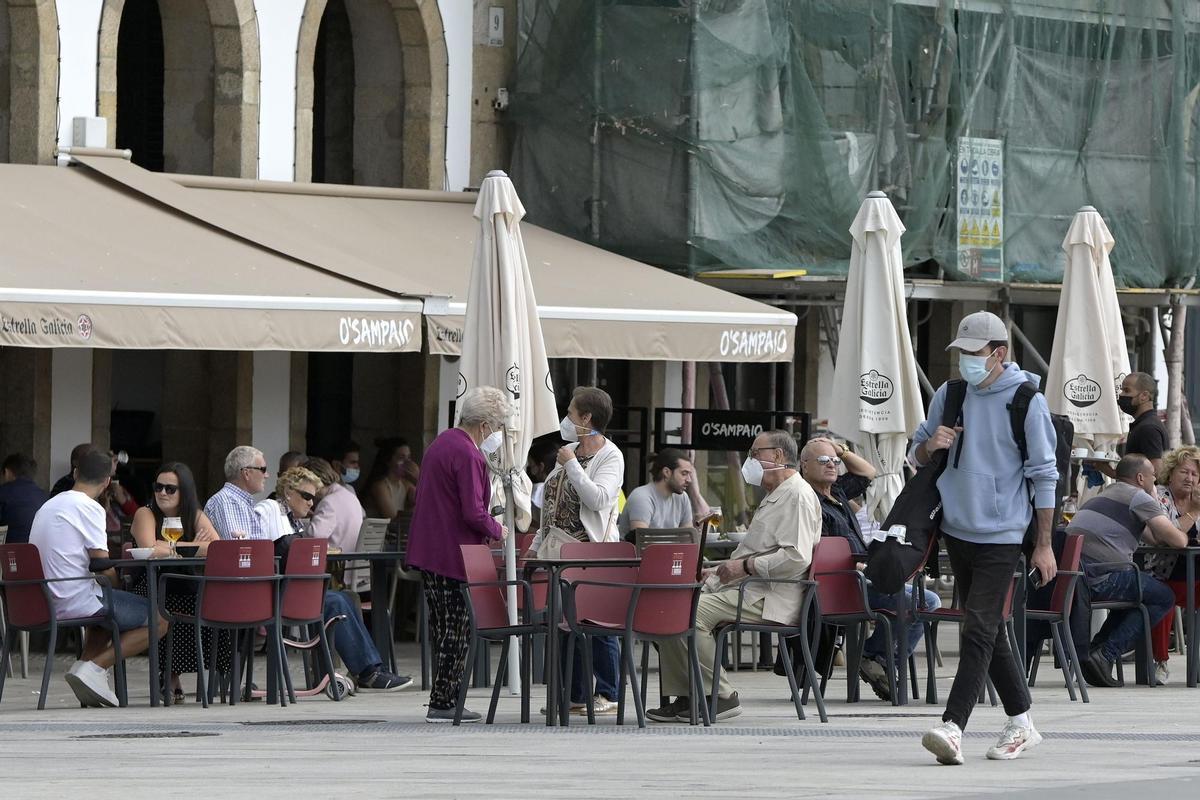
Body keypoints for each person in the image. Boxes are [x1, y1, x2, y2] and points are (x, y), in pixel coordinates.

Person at [911, 311, 1058, 765]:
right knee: (987, 629)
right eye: (961, 355)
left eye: (974, 355)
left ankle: (953, 726)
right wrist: (929, 444)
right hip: (957, 527)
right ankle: (1022, 723)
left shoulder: (1027, 400)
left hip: (1003, 532)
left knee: (978, 626)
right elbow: (916, 454)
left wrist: (1044, 542)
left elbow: (1045, 475)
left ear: (999, 353)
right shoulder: (951, 395)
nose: (965, 364)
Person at [648, 430, 820, 722]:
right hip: (751, 587)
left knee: (689, 613)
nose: (749, 461)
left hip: (770, 595)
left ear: (777, 456)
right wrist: (717, 570)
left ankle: (721, 695)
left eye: (755, 453)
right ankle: (691, 693)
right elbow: (757, 551)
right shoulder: (777, 495)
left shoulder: (797, 495)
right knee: (665, 609)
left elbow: (796, 557)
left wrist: (745, 567)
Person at [798, 437, 940, 701]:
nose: (831, 464)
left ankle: (878, 658)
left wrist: (841, 450)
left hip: (862, 577)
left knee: (926, 601)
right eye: (822, 460)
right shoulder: (808, 499)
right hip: (843, 586)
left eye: (835, 461)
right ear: (803, 466)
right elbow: (819, 554)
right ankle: (877, 658)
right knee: (924, 602)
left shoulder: (837, 492)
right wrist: (859, 565)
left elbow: (869, 473)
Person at [28, 448, 169, 707]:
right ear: (107, 482)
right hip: (72, 598)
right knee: (159, 620)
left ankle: (85, 668)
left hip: (43, 599)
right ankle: (94, 667)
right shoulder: (88, 507)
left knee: (104, 615)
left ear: (75, 473)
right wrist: (117, 587)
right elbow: (102, 563)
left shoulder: (48, 506)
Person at [406, 386, 512, 722]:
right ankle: (443, 701)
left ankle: (443, 696)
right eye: (496, 427)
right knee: (457, 628)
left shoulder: (442, 442)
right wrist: (499, 530)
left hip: (431, 550)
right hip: (453, 553)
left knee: (442, 627)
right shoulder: (468, 454)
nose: (495, 434)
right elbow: (472, 511)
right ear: (484, 425)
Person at [265, 466, 412, 692]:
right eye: (306, 496)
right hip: (279, 592)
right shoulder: (272, 511)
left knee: (346, 598)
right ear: (288, 492)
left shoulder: (291, 518)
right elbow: (282, 552)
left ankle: (370, 669)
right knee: (336, 602)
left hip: (295, 588)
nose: (311, 503)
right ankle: (368, 673)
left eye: (313, 498)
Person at [527, 386, 626, 715]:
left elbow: (598, 498)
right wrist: (537, 546)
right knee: (565, 623)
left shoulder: (610, 456)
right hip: (560, 554)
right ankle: (574, 694)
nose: (565, 420)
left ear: (587, 418)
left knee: (596, 622)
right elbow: (550, 507)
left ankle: (609, 692)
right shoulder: (567, 450)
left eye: (570, 413)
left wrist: (571, 465)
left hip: (592, 552)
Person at [1067, 454, 1187, 687]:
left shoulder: (1108, 495)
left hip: (1075, 579)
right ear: (1140, 478)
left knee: (1137, 596)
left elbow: (1153, 538)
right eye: (1153, 475)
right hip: (1101, 577)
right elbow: (1178, 541)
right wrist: (1190, 512)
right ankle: (1105, 653)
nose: (1156, 480)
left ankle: (1097, 655)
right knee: (1163, 597)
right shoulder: (1139, 498)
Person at [129, 461, 223, 702]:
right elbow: (150, 549)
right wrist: (194, 546)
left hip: (186, 583)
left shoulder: (195, 515)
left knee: (209, 603)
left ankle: (182, 674)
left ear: (185, 492)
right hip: (152, 584)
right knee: (175, 602)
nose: (162, 493)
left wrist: (172, 546)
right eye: (158, 487)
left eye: (170, 489)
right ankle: (169, 675)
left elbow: (216, 547)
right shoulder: (146, 513)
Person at [1146, 446, 1200, 684]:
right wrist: (1194, 512)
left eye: (1195, 474)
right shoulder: (1160, 497)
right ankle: (1160, 662)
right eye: (1184, 472)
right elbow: (1168, 536)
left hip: (1194, 578)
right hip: (1162, 574)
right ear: (1171, 472)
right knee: (1162, 597)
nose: (1189, 478)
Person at [618, 448, 695, 538]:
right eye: (684, 473)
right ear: (666, 472)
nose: (689, 480)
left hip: (667, 551)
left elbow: (687, 538)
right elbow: (641, 541)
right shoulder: (642, 497)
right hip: (636, 552)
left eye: (690, 474)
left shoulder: (682, 497)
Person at [204, 446, 269, 540]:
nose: (266, 475)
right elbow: (238, 550)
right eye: (263, 469)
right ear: (246, 473)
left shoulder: (238, 501)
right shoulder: (228, 501)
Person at [303, 457, 366, 553]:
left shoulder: (328, 502)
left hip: (335, 564)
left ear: (314, 481)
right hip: (353, 562)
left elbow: (313, 537)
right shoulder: (350, 495)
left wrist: (300, 524)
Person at [363, 437, 420, 520]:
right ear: (388, 460)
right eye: (401, 457)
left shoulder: (406, 484)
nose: (407, 462)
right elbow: (392, 519)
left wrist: (417, 479)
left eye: (408, 457)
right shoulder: (379, 485)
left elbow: (426, 503)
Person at [0, 453, 48, 544]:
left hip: (9, 552)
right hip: (37, 552)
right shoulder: (44, 496)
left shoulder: (3, 492)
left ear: (7, 472)